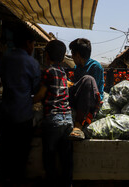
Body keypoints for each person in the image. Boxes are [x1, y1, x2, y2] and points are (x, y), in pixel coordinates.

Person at [0, 26, 41, 185]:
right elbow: (35, 89)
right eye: (33, 44)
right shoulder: (32, 63)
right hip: (23, 117)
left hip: (6, 114)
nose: (33, 47)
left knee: (5, 152)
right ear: (28, 43)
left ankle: (1, 179)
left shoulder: (5, 59)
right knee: (20, 155)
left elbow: (1, 79)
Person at [34, 40, 73, 187]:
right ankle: (67, 183)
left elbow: (41, 95)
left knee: (49, 157)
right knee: (66, 158)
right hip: (67, 118)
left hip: (53, 119)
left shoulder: (48, 71)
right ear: (63, 58)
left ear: (47, 55)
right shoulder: (63, 72)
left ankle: (51, 183)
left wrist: (29, 100)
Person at [68, 38, 104, 139]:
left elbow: (92, 91)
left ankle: (78, 126)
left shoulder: (95, 67)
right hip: (79, 98)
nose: (72, 58)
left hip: (91, 101)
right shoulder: (77, 68)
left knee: (88, 80)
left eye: (72, 55)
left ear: (78, 56)